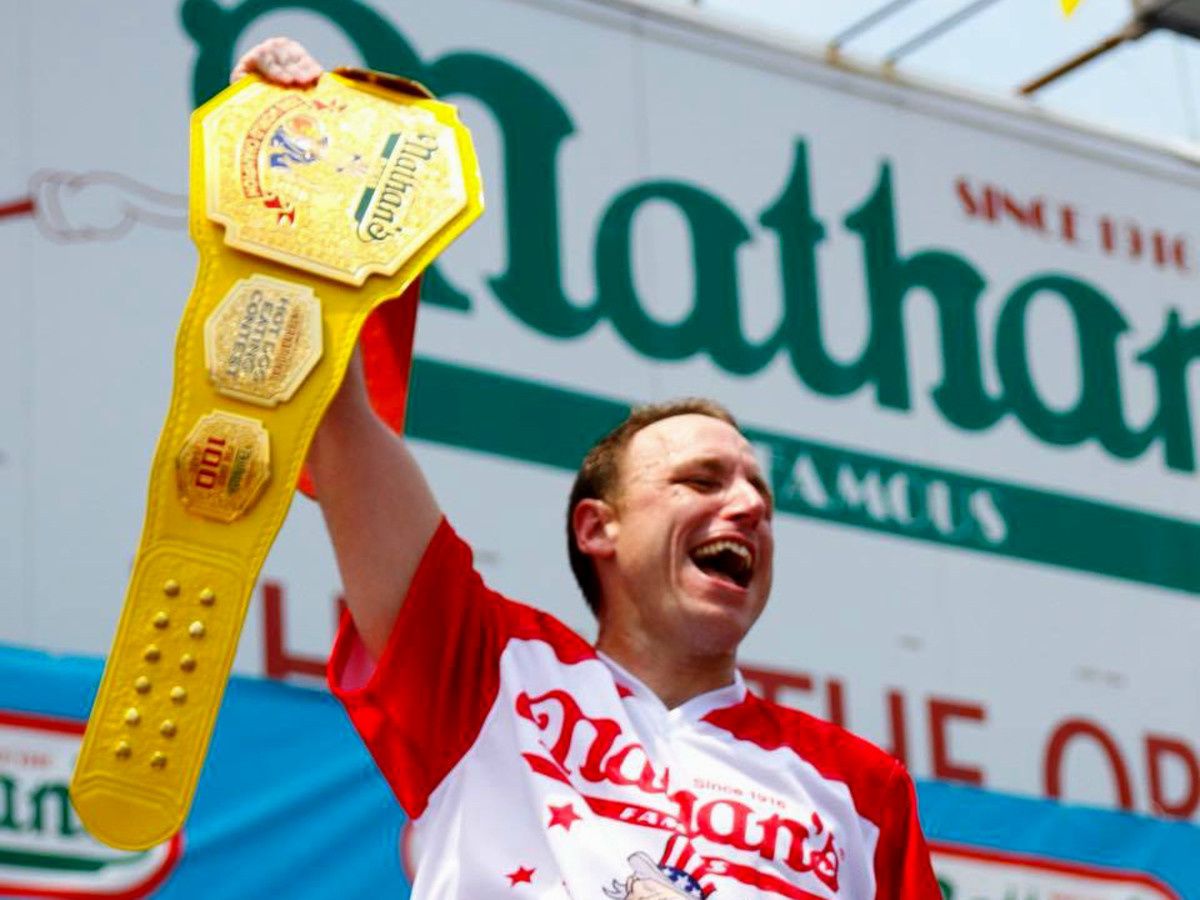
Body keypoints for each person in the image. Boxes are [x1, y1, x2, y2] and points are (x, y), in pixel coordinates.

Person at [233, 38, 942, 900]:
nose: (750, 506)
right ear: (597, 528)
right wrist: (288, 169)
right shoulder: (491, 670)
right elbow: (341, 426)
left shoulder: (863, 788)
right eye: (702, 481)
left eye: (759, 490)